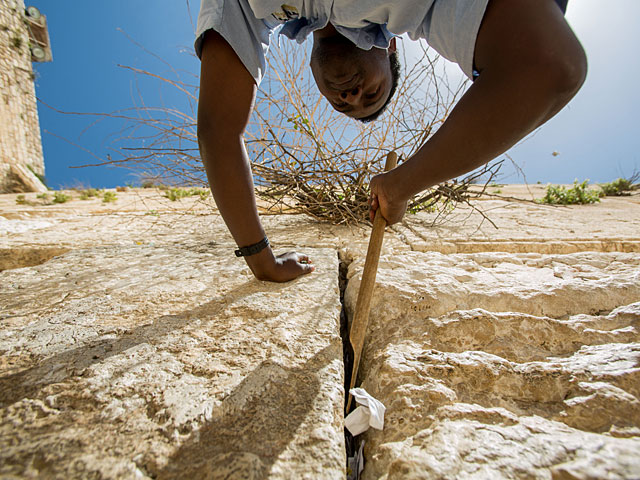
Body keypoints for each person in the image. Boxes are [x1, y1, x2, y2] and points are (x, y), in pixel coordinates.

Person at [195, 0, 586, 282]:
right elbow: (542, 64)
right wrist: (404, 184)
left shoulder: (250, 9)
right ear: (391, 47)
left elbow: (218, 129)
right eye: (372, 93)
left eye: (343, 105)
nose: (351, 97)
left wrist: (262, 262)